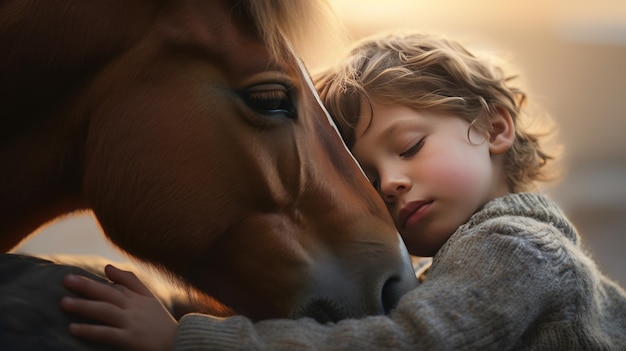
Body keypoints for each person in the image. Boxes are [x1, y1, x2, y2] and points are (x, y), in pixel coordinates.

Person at [60, 31, 626, 350]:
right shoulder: (470, 267)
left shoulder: (520, 251)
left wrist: (185, 341)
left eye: (408, 147)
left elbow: (395, 344)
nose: (393, 183)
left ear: (495, 128)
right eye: (372, 181)